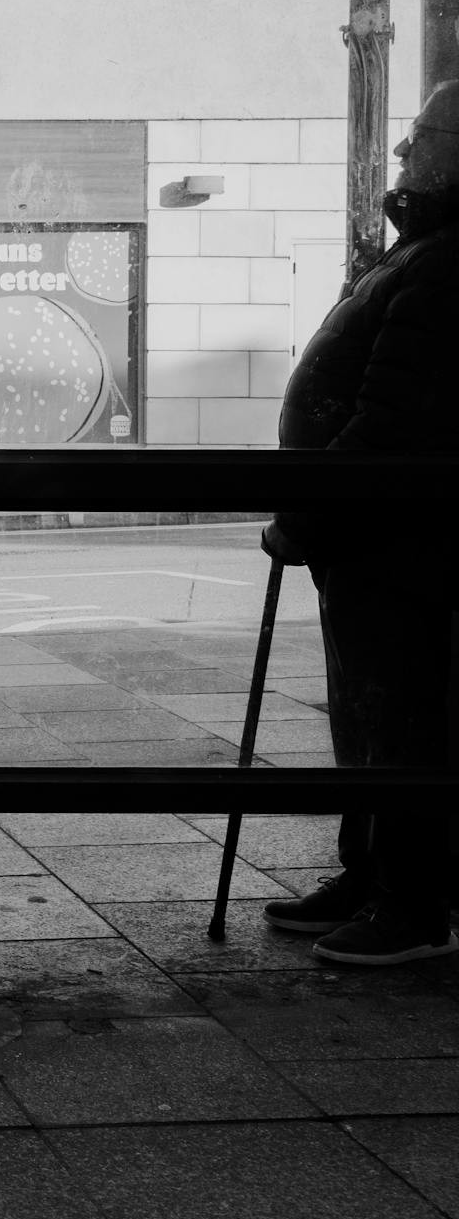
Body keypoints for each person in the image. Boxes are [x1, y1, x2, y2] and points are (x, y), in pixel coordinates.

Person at [260, 81, 459, 966]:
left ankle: (411, 902)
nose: (404, 154)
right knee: (368, 715)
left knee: (402, 717)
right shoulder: (419, 252)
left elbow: (388, 420)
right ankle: (374, 871)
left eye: (420, 139)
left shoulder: (444, 263)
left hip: (400, 543)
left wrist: (306, 510)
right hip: (369, 541)